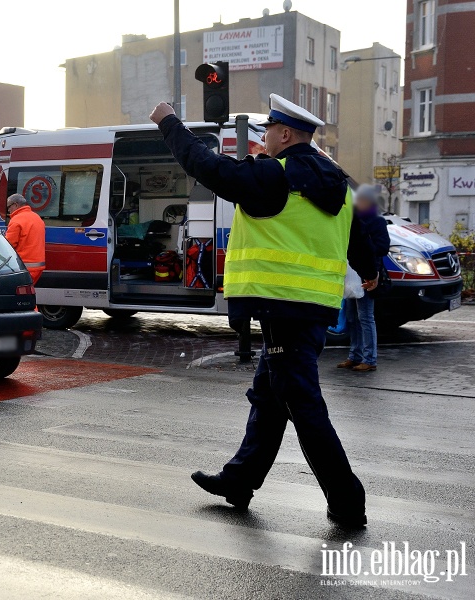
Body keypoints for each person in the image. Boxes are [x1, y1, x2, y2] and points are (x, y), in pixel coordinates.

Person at [149, 94, 378, 528]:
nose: (263, 138)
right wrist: (370, 272)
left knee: (304, 407)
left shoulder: (277, 176)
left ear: (285, 134)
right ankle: (239, 481)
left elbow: (207, 166)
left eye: (268, 130)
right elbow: (359, 235)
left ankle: (348, 502)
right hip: (312, 310)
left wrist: (169, 123)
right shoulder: (340, 184)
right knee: (271, 399)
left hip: (281, 308)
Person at [338, 185, 391, 373]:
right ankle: (355, 355)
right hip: (354, 273)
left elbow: (382, 247)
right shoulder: (355, 218)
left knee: (365, 317)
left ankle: (369, 358)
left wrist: (365, 253)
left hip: (368, 273)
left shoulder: (376, 221)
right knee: (353, 317)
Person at [4, 194, 46, 284]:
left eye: (9, 207)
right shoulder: (36, 217)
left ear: (15, 205)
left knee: (17, 293)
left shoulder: (16, 220)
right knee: (27, 291)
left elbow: (9, 245)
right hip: (38, 266)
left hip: (24, 266)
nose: (8, 210)